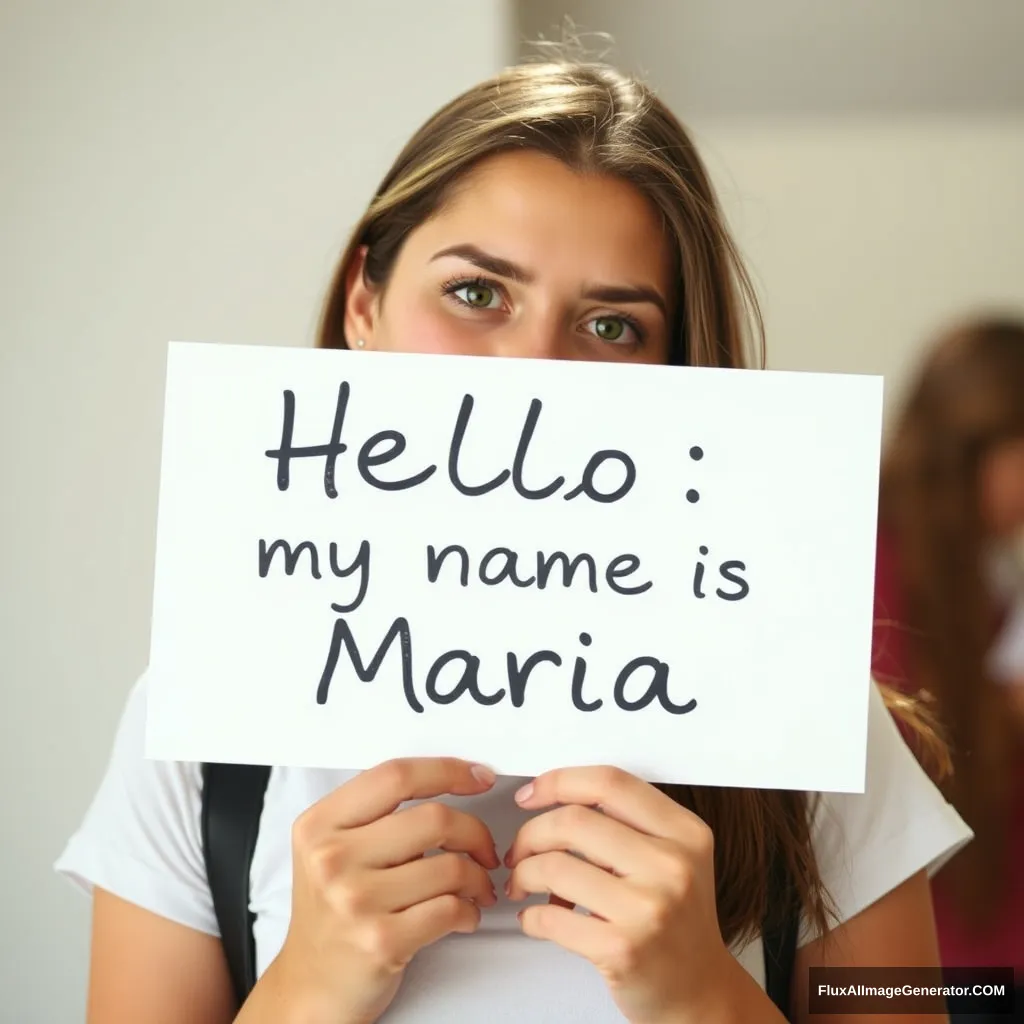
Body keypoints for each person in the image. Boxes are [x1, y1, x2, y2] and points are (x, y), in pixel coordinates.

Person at [56, 60, 974, 1024]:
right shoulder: (201, 724)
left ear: (678, 374)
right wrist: (304, 993)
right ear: (362, 307)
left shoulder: (811, 717)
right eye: (477, 294)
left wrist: (704, 997)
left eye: (612, 325)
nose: (535, 371)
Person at [872, 317, 1024, 1010]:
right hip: (922, 975)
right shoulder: (878, 574)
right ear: (975, 448)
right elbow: (899, 781)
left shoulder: (979, 572)